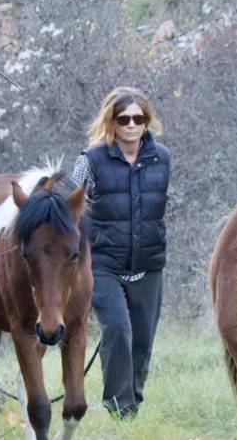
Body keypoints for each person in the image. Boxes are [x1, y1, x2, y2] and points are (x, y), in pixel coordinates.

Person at [71, 86, 171, 418]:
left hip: (148, 262)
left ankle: (134, 401)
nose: (131, 124)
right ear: (111, 121)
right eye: (123, 118)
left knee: (142, 340)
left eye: (138, 118)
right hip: (102, 262)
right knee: (116, 329)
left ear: (147, 122)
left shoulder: (162, 159)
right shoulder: (91, 160)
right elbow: (70, 210)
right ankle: (119, 407)